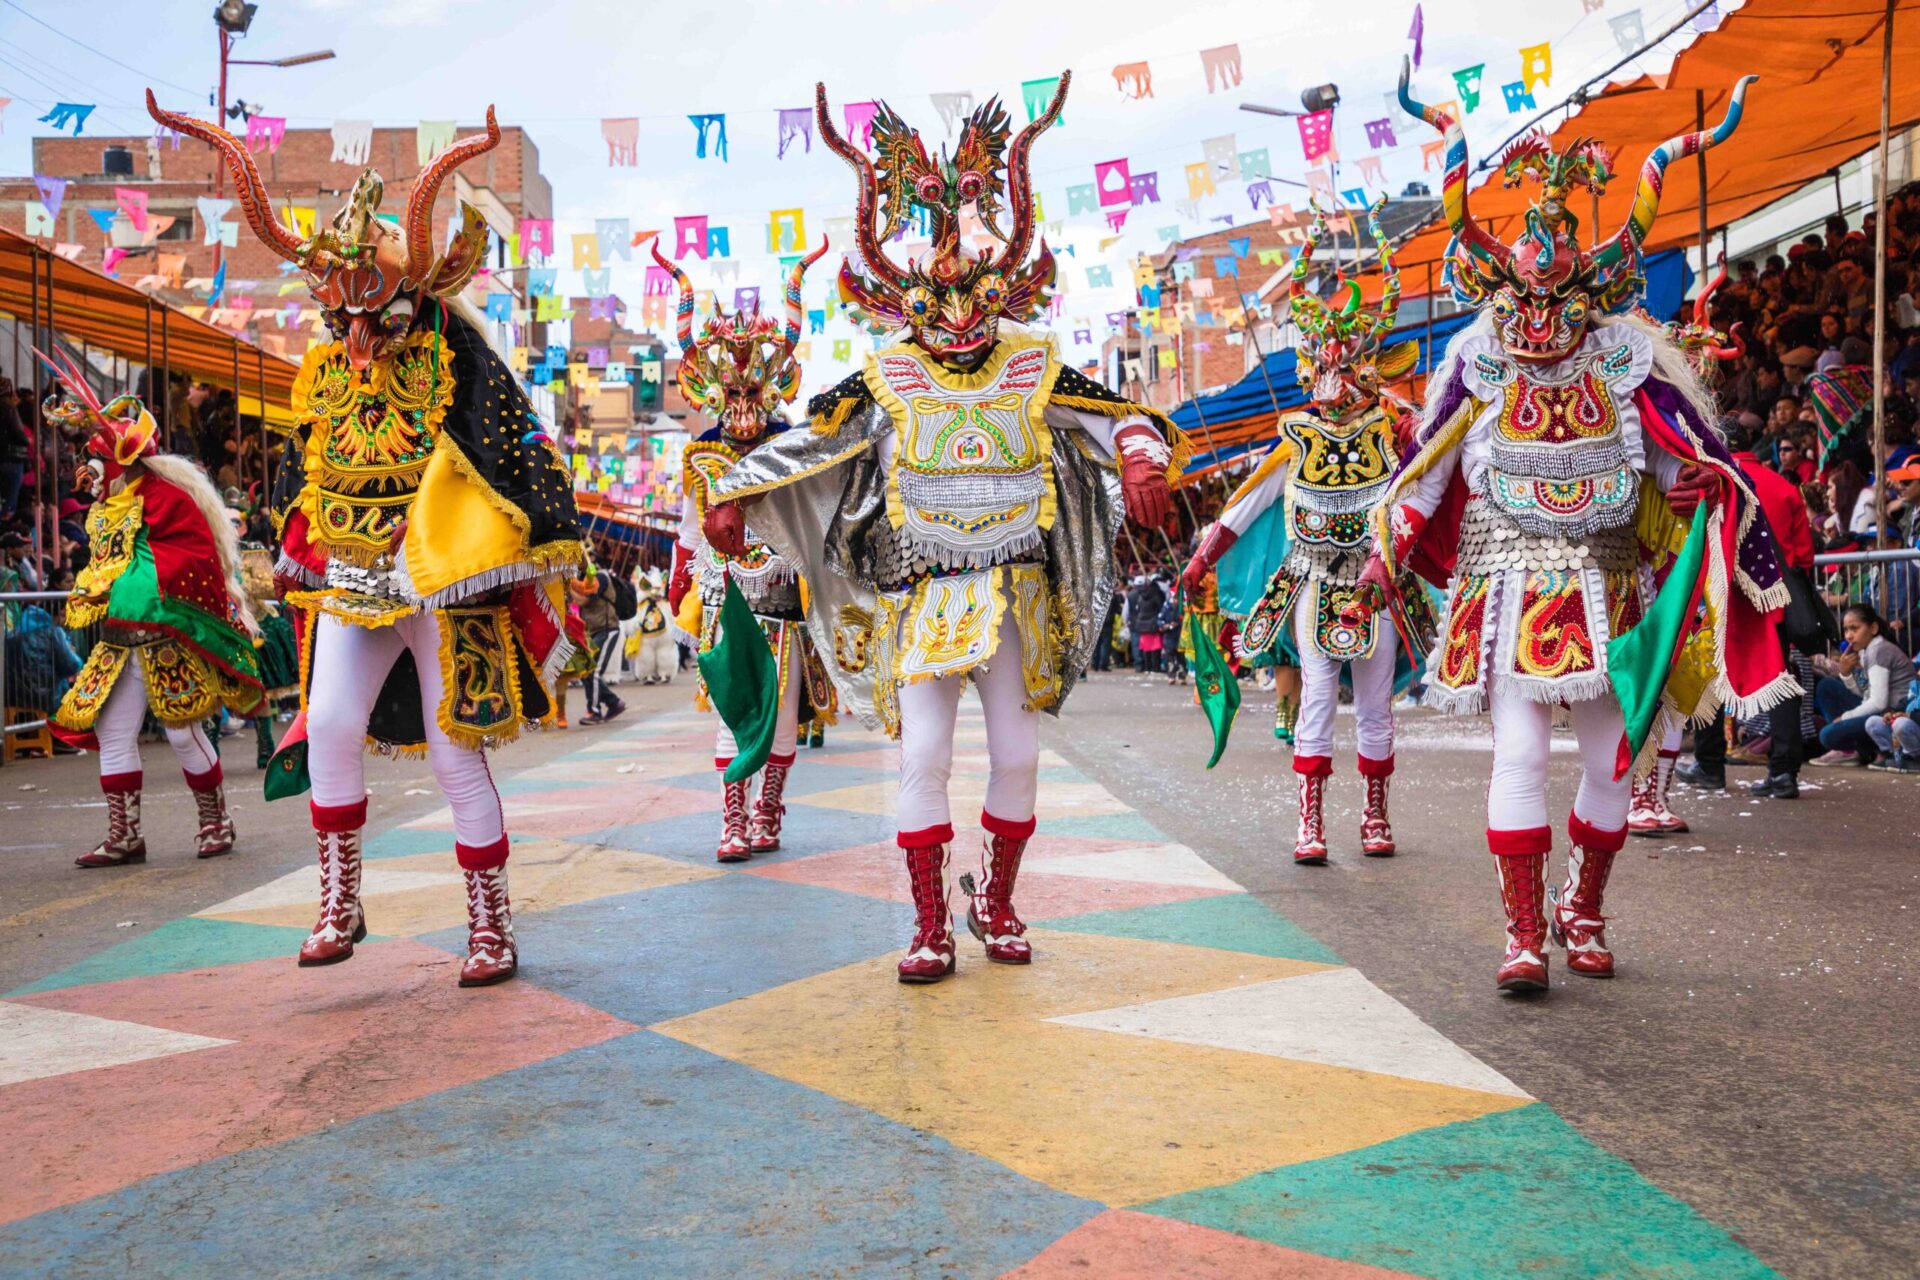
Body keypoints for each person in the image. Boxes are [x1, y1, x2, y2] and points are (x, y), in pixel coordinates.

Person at [703, 75, 1179, 983]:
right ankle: (928, 921)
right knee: (922, 752)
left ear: (1003, 295)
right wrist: (731, 488)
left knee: (1018, 753)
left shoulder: (1035, 364)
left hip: (1017, 592)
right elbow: (803, 445)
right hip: (924, 597)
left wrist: (1142, 456)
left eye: (976, 304)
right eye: (937, 307)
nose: (959, 322)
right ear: (903, 304)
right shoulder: (881, 379)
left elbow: (1118, 413)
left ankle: (995, 901)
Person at [1363, 66, 1790, 995]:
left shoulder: (1627, 355)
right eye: (1528, 273)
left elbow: (1684, 458)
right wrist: (1384, 550)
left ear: (1589, 284)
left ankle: (1581, 909)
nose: (1542, 311)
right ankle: (1523, 933)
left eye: (1561, 272)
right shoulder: (1475, 355)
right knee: (1519, 754)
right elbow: (1424, 474)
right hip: (1507, 584)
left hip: (1611, 586)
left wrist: (1691, 494)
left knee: (1610, 758)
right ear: (1502, 278)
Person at [151, 96, 587, 988]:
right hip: (353, 581)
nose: (356, 340)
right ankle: (340, 902)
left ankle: (489, 925)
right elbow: (318, 471)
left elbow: (516, 459)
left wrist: (466, 538)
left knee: (454, 749)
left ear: (411, 303)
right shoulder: (325, 376)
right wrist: (299, 550)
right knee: (335, 729)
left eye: (376, 319)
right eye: (339, 321)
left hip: (438, 586)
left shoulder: (459, 363)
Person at [1183, 199, 1427, 862]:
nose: (1335, 379)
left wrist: (1413, 422)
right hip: (1313, 578)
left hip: (1376, 584)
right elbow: (1244, 503)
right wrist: (1204, 557)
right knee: (1318, 691)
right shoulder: (1295, 438)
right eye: (1325, 365)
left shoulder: (1390, 433)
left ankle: (1375, 818)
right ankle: (1310, 822)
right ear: (1308, 370)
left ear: (1368, 370)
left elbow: (1424, 485)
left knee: (1375, 702)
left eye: (1348, 367)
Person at [36, 355, 264, 868]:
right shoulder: (110, 507)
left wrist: (141, 587)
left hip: (165, 633)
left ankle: (215, 821)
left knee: (184, 731)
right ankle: (125, 835)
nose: (91, 472)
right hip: (121, 637)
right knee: (114, 731)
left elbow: (192, 557)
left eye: (100, 461)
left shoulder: (167, 498)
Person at [661, 242, 836, 862]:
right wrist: (681, 579)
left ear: (770, 386)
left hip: (785, 593)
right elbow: (688, 528)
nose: (741, 405)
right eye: (730, 390)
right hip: (723, 592)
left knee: (784, 710)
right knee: (733, 703)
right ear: (712, 389)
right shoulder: (702, 453)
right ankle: (733, 816)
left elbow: (815, 519)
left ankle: (768, 808)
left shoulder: (794, 447)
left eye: (752, 388)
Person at [1674, 416, 1819, 803]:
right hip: (1775, 597)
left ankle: (1709, 765)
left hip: (1719, 594)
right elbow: (1804, 554)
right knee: (1780, 678)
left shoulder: (1709, 482)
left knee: (1712, 675)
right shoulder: (1785, 486)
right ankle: (1784, 772)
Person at [1809, 603, 1916, 767]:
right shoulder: (1866, 650)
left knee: (1826, 735)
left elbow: (1878, 702)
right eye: (1846, 630)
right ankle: (1855, 750)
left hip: (1892, 713)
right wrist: (1845, 674)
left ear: (1873, 628)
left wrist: (1843, 718)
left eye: (1854, 628)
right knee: (1826, 686)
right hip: (1879, 710)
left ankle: (1861, 749)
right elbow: (1865, 695)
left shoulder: (1879, 650)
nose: (1849, 636)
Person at [577, 563, 627, 725]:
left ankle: (595, 711)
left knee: (594, 671)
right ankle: (613, 702)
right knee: (587, 671)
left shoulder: (600, 577)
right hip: (592, 631)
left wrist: (567, 586)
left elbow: (583, 600)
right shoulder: (582, 578)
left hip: (607, 629)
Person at [631, 572, 676, 685]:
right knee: (645, 653)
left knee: (665, 651)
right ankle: (647, 674)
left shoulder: (664, 604)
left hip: (665, 634)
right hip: (646, 635)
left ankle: (665, 673)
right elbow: (636, 617)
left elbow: (671, 616)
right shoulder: (642, 604)